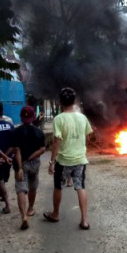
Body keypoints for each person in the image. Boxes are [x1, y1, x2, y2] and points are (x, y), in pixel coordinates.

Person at [44, 87, 92, 230]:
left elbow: (57, 141)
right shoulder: (82, 118)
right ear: (74, 101)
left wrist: (52, 161)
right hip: (80, 160)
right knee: (80, 187)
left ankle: (55, 214)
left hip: (63, 161)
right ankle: (84, 221)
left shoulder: (59, 119)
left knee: (58, 186)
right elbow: (88, 135)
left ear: (60, 102)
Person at [9, 106, 45, 230]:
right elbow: (42, 149)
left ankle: (23, 216)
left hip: (20, 164)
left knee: (21, 189)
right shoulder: (39, 132)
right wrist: (31, 158)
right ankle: (30, 209)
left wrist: (20, 167)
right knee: (32, 186)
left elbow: (16, 150)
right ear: (33, 117)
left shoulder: (15, 132)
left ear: (21, 117)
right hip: (34, 164)